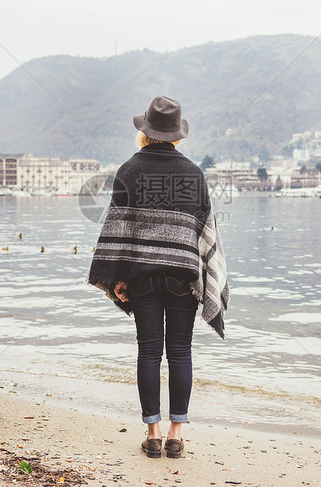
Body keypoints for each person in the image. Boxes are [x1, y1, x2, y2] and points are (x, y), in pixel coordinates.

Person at [88, 96, 229, 459]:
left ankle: (152, 433)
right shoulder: (193, 173)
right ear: (177, 135)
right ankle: (176, 434)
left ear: (145, 132)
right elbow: (205, 233)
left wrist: (116, 277)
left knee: (149, 351)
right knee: (180, 352)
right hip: (183, 277)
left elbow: (118, 228)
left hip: (142, 278)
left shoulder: (129, 170)